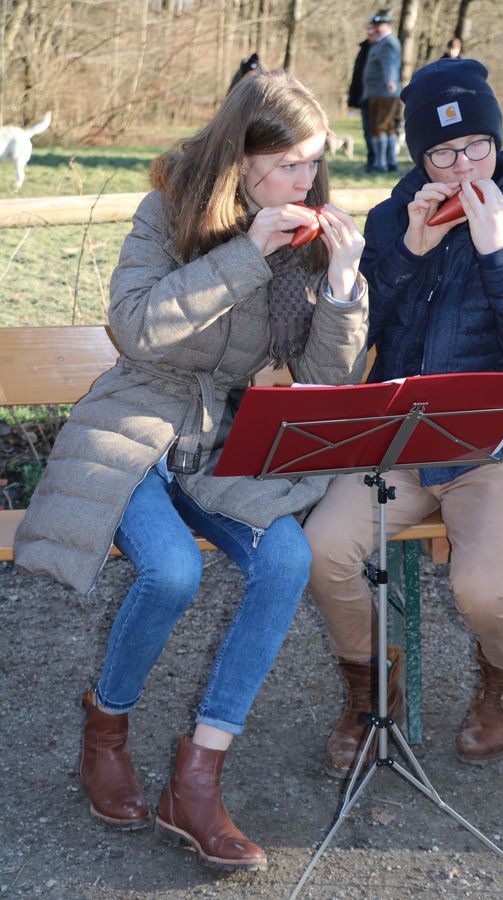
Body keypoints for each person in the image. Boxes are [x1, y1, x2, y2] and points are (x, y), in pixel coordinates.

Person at [14, 71, 368, 871]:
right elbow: (137, 328)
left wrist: (343, 291)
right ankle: (105, 726)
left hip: (219, 441)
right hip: (135, 424)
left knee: (286, 557)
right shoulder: (165, 211)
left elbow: (320, 383)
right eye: (288, 165)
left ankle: (198, 776)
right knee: (171, 572)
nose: (304, 182)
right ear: (241, 160)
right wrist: (247, 254)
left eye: (312, 164)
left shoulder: (306, 244)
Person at [304, 57, 503, 777]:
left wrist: (501, 254)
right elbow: (357, 337)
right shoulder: (393, 219)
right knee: (322, 548)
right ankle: (373, 685)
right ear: (419, 155)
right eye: (443, 153)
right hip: (394, 444)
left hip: (492, 450)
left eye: (476, 147)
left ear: (498, 142)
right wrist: (405, 256)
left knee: (482, 592)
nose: (462, 167)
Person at [362, 9, 402, 173]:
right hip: (379, 92)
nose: (376, 28)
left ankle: (381, 163)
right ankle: (390, 161)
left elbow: (389, 64)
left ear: (387, 25)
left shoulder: (388, 44)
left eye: (379, 25)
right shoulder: (380, 42)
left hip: (383, 92)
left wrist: (390, 80)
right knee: (387, 128)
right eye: (375, 25)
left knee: (380, 128)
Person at [347, 20, 378, 171]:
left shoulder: (381, 49)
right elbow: (357, 74)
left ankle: (377, 162)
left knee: (376, 131)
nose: (371, 33)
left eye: (374, 30)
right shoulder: (364, 48)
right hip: (364, 97)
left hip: (377, 97)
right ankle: (372, 160)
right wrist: (353, 97)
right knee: (367, 131)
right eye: (369, 30)